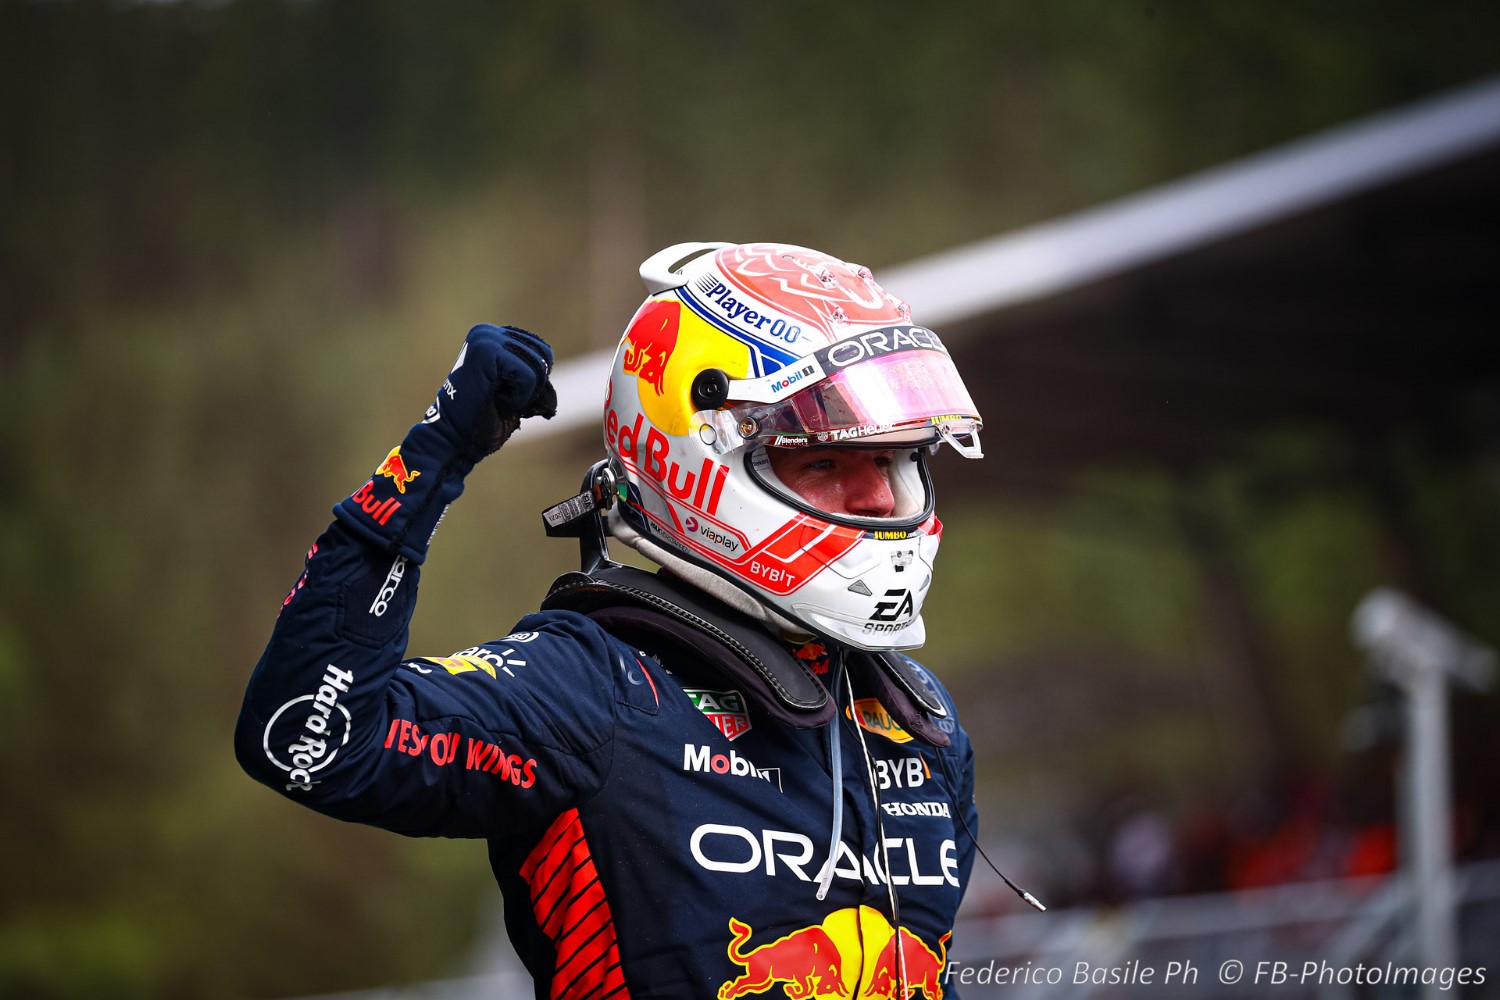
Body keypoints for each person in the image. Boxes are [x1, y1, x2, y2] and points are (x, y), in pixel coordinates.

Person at [236, 241, 1004, 999]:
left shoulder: (921, 719)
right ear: (700, 465)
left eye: (896, 460)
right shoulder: (592, 686)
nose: (876, 500)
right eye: (827, 464)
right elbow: (308, 737)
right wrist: (430, 464)